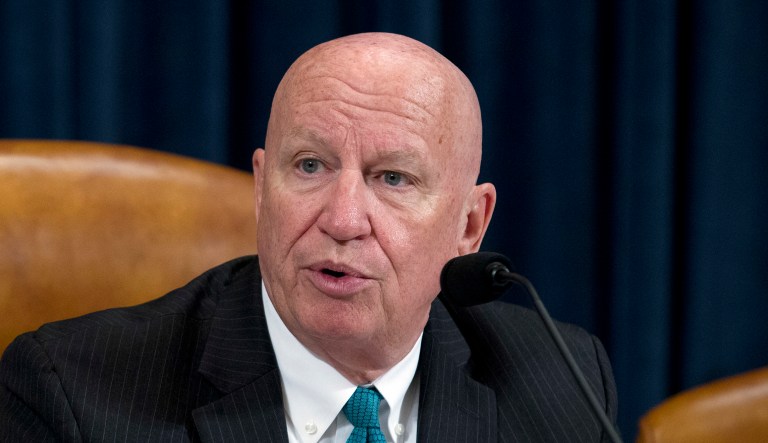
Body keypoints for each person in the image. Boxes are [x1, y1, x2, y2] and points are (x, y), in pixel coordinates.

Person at [0, 33, 617, 442]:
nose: (343, 220)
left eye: (393, 178)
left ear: (469, 226)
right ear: (262, 187)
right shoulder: (72, 397)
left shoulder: (562, 382)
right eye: (310, 167)